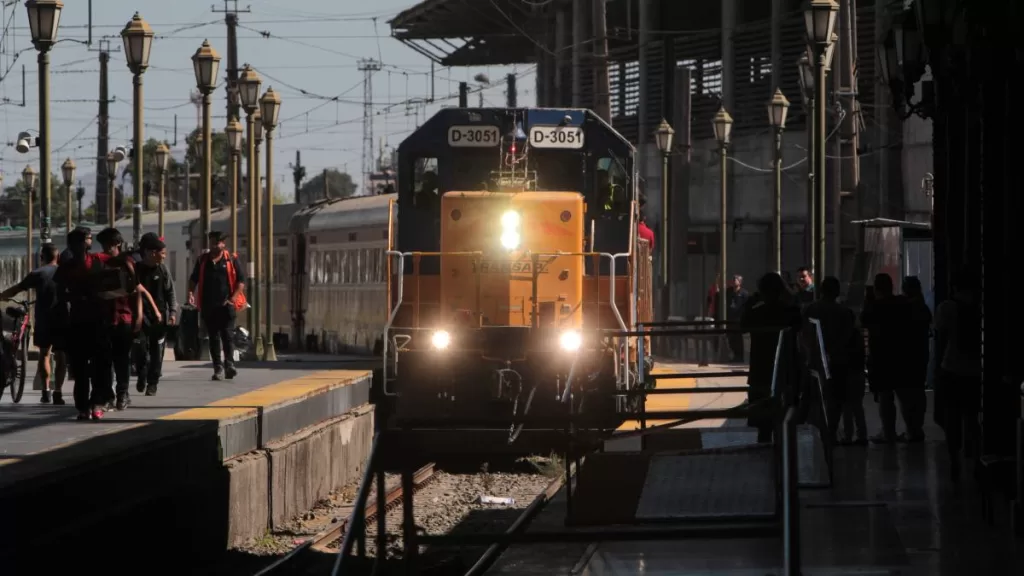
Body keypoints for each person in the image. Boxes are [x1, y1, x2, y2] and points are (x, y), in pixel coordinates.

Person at [0, 243, 66, 404]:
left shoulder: (37, 273)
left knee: (44, 354)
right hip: (63, 318)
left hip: (44, 319)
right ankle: (58, 392)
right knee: (61, 356)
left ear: (42, 258)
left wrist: (2, 296)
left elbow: (16, 289)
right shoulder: (65, 272)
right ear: (58, 257)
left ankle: (46, 392)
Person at [740, 272, 802, 443]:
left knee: (762, 419)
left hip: (761, 369)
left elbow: (742, 326)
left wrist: (750, 304)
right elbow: (799, 319)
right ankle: (784, 457)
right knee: (785, 416)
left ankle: (764, 447)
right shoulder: (790, 312)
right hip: (786, 367)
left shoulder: (757, 313)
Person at [934, 268, 980, 482]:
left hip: (951, 368)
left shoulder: (947, 308)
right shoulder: (979, 307)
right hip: (975, 371)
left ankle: (954, 457)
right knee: (971, 416)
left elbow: (940, 338)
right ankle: (974, 455)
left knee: (952, 416)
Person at [55, 228, 105, 420]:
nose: (90, 241)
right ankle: (84, 406)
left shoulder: (97, 262)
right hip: (76, 322)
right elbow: (59, 295)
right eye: (88, 238)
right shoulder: (66, 267)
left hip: (98, 320)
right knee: (81, 369)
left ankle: (97, 402)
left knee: (99, 366)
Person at [93, 228, 144, 414]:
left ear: (117, 244)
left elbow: (136, 290)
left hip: (123, 317)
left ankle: (122, 393)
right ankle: (108, 396)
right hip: (105, 318)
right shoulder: (98, 263)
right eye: (103, 245)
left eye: (109, 245)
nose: (106, 249)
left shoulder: (127, 263)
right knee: (105, 360)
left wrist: (138, 316)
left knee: (122, 359)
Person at [860, 273, 914, 443]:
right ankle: (912, 430)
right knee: (904, 395)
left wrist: (868, 300)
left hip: (881, 356)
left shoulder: (874, 306)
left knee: (885, 397)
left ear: (876, 289)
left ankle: (889, 432)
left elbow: (864, 321)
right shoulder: (902, 303)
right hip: (902, 354)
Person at [802, 276, 857, 444]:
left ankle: (817, 431)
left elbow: (805, 336)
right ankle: (831, 431)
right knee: (837, 399)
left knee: (815, 397)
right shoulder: (845, 313)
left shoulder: (810, 309)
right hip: (839, 361)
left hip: (816, 360)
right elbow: (850, 337)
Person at [188, 231, 246, 381]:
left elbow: (241, 282)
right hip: (209, 306)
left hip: (227, 305)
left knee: (227, 336)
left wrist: (232, 299)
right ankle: (218, 367)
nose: (215, 245)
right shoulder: (202, 261)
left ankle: (229, 365)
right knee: (213, 337)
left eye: (217, 242)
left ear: (223, 244)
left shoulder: (231, 260)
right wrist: (190, 293)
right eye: (212, 242)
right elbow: (193, 279)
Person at [134, 234, 178, 396]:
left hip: (159, 317)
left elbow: (170, 292)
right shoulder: (136, 269)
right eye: (162, 253)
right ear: (151, 253)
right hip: (139, 317)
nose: (164, 256)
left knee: (156, 351)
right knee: (139, 349)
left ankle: (152, 383)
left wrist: (172, 312)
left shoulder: (163, 269)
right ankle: (142, 374)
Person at [901, 276, 932, 441]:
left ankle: (911, 428)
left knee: (907, 395)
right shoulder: (923, 307)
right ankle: (917, 428)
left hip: (907, 356)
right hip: (921, 354)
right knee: (918, 392)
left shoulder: (906, 308)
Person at [727, 275, 749, 362]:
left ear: (740, 282)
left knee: (738, 339)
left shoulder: (744, 293)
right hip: (730, 319)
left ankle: (740, 356)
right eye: (733, 279)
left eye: (736, 279)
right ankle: (734, 355)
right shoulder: (729, 292)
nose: (734, 281)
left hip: (739, 319)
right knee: (730, 338)